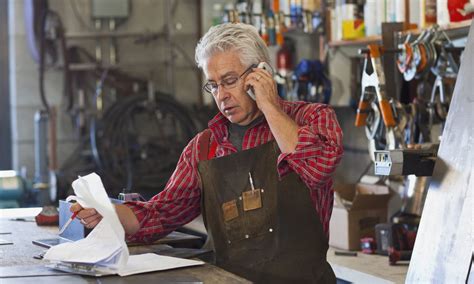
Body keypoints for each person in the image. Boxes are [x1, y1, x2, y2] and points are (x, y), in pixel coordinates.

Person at [72, 22, 343, 283]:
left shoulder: (313, 118)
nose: (221, 95)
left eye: (229, 80)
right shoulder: (204, 147)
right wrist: (107, 212)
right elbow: (161, 214)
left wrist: (269, 105)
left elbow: (315, 167)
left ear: (261, 74)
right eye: (213, 85)